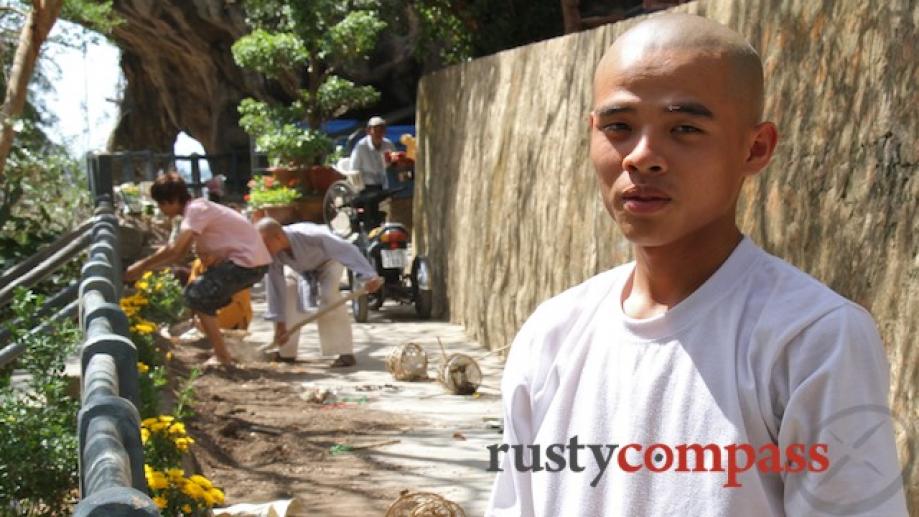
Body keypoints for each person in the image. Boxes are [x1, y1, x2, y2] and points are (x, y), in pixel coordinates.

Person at [486, 13, 907, 517]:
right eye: (618, 126)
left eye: (684, 127)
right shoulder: (551, 334)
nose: (641, 157)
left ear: (755, 148)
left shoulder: (811, 339)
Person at [125, 173, 271, 366]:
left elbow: (176, 250)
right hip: (249, 263)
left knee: (196, 295)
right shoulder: (195, 212)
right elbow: (177, 253)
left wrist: (141, 267)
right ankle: (224, 350)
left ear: (174, 200)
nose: (160, 209)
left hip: (247, 264)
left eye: (161, 203)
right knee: (199, 297)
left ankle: (223, 356)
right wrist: (144, 268)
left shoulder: (196, 210)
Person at [257, 218, 383, 366]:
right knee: (288, 290)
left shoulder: (312, 235)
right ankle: (286, 352)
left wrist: (369, 275)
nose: (262, 248)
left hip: (329, 263)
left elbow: (346, 250)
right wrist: (280, 324)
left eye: (264, 243)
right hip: (301, 269)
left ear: (278, 237)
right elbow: (275, 285)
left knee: (329, 296)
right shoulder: (273, 253)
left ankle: (344, 353)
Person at [349, 116, 395, 191]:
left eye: (381, 130)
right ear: (369, 131)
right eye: (375, 130)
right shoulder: (361, 146)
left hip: (385, 183)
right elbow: (354, 168)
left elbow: (394, 162)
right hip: (366, 185)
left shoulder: (388, 145)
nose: (378, 134)